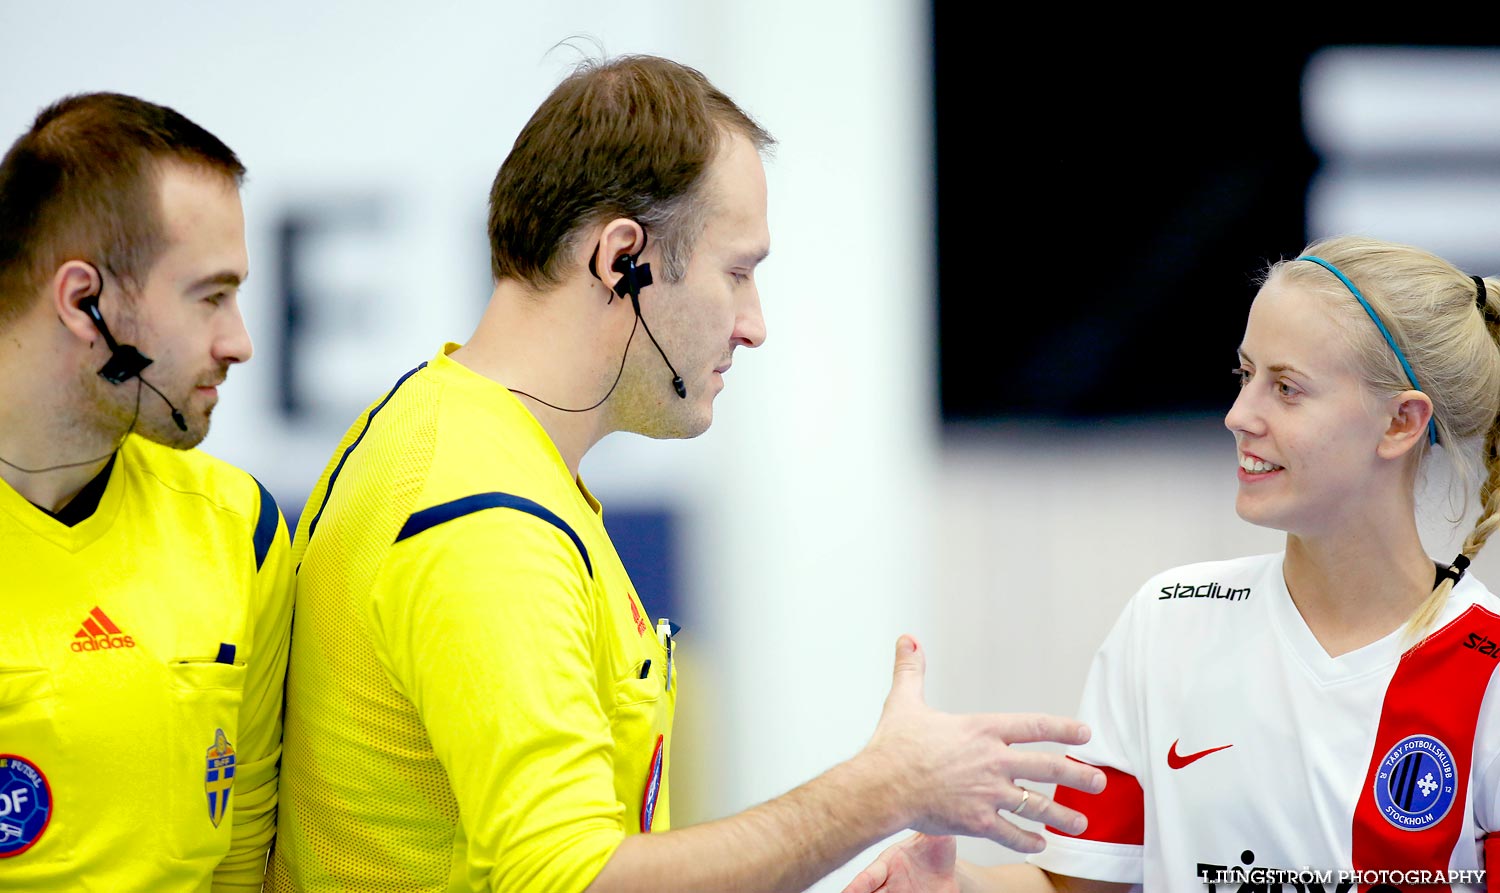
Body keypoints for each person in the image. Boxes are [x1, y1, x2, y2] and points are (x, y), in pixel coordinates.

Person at [266, 53, 1107, 893]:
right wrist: (883, 788)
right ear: (620, 257)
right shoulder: (484, 518)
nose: (755, 325)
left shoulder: (432, 427)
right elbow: (577, 878)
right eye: (738, 272)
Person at [842, 235, 1500, 892]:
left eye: (1287, 388)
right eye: (1246, 376)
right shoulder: (1169, 620)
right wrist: (952, 888)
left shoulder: (1488, 668)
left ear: (1400, 423)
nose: (1239, 415)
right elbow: (1074, 884)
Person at [0, 93, 294, 891]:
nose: (239, 341)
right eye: (211, 295)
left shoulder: (241, 528)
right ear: (82, 301)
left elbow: (247, 863)